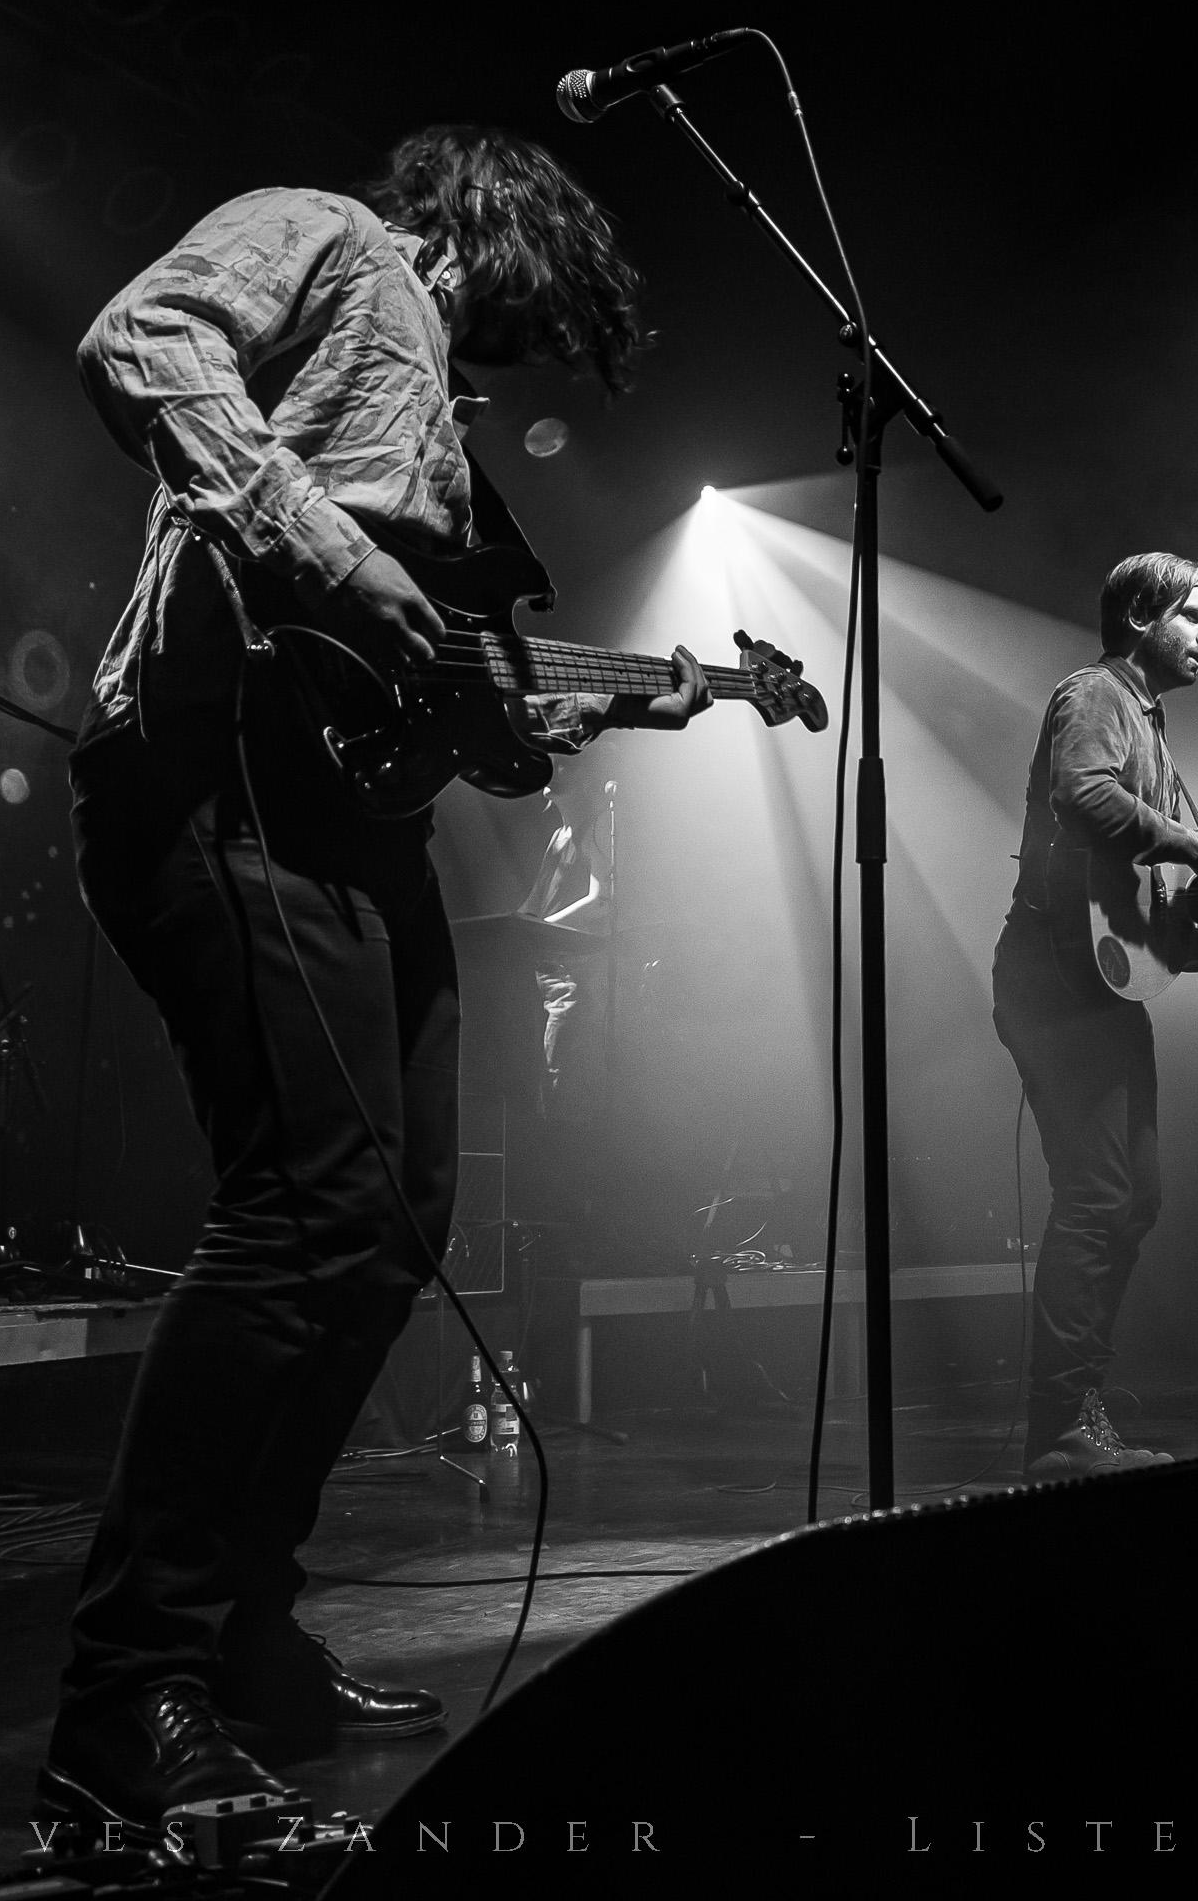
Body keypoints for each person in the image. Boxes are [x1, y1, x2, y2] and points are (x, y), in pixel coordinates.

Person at [44, 125, 711, 1829]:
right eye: (543, 312)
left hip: (349, 822)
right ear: (502, 238)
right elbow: (143, 340)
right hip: (219, 778)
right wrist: (336, 559)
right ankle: (131, 1692)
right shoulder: (326, 231)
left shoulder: (448, 444)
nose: (530, 355)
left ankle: (248, 1632)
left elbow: (422, 688)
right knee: (301, 1212)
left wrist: (525, 720)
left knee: (395, 1219)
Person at [993, 553, 1198, 1476]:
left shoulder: (1151, 720)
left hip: (1095, 983)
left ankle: (1079, 1403)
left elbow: (1157, 907)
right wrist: (1192, 841)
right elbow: (1082, 794)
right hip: (1054, 983)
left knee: (1136, 1196)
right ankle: (1058, 1428)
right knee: (1100, 1196)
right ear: (1143, 615)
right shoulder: (1094, 694)